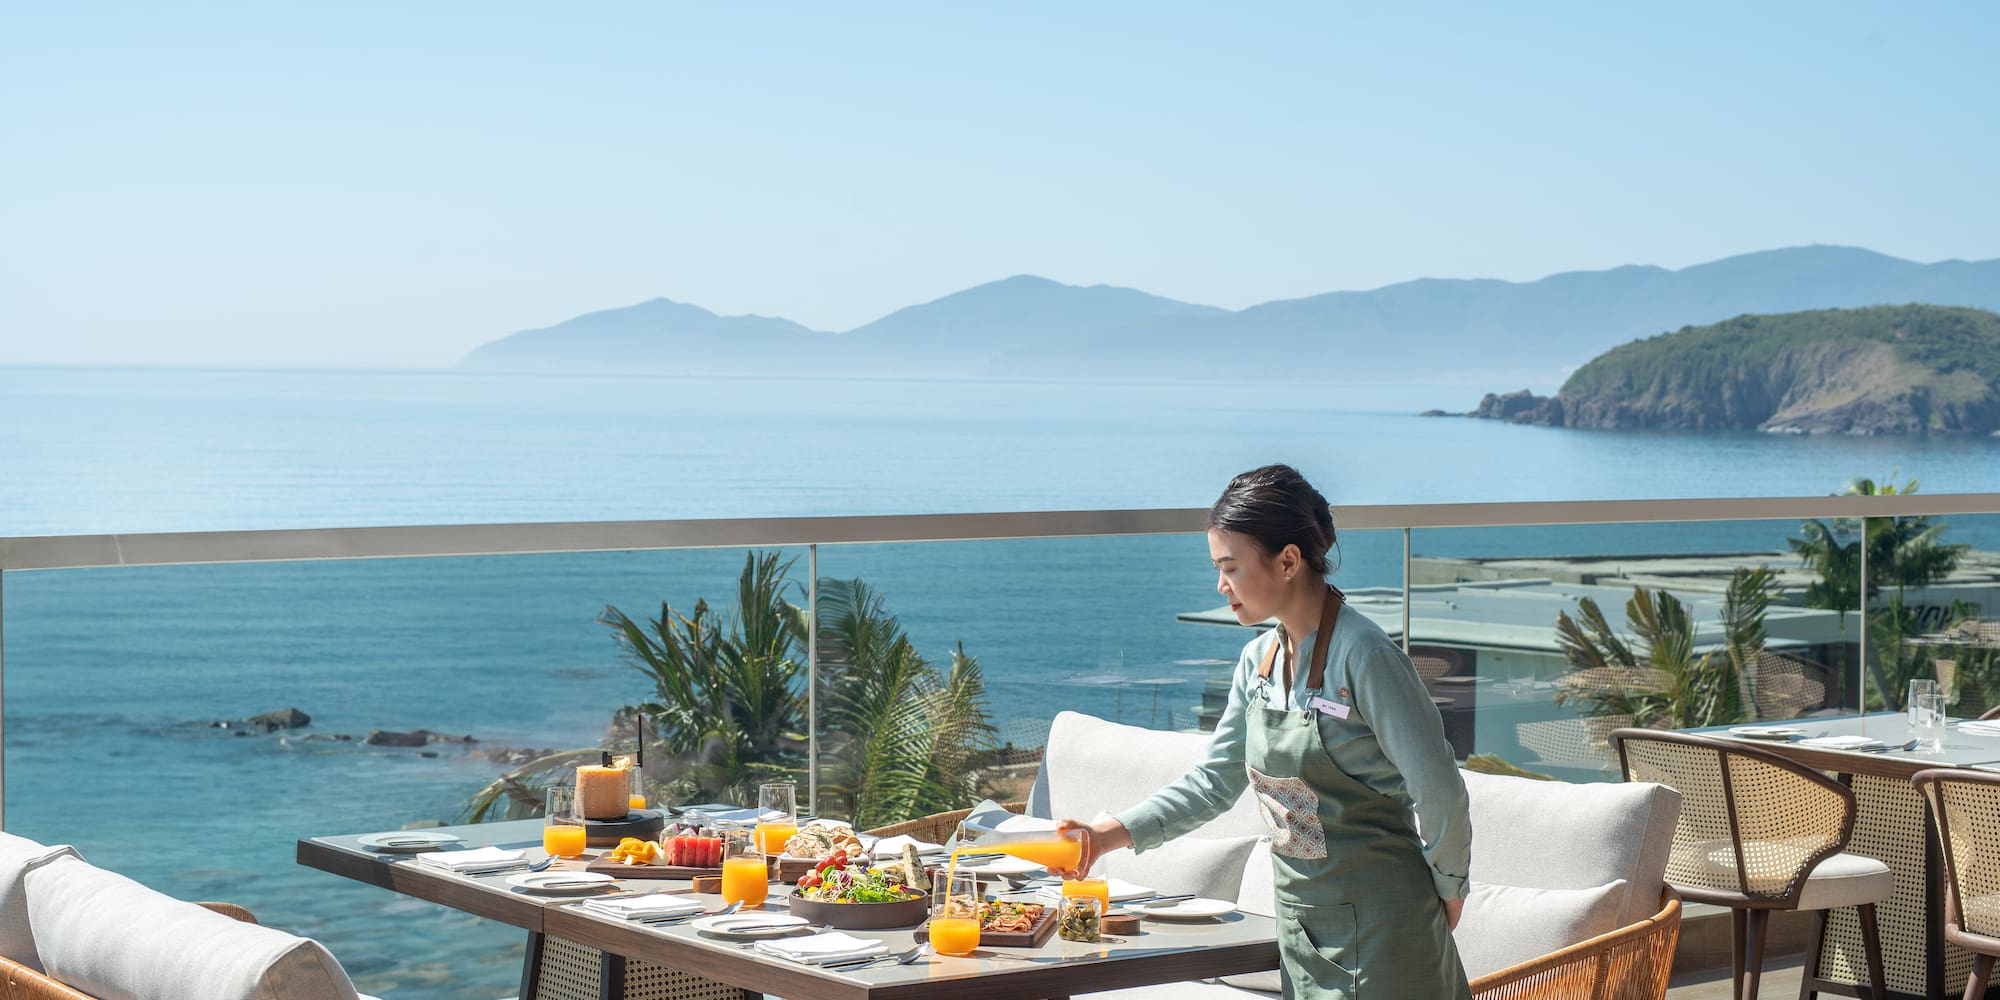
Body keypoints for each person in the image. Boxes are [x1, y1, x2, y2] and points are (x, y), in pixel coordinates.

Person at [1058, 463, 1472, 999]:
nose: (1220, 584)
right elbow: (1214, 781)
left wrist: (1450, 888)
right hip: (1302, 930)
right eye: (1216, 567)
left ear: (1289, 561)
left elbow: (1438, 785)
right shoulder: (1258, 662)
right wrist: (1104, 836)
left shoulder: (1365, 656)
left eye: (1230, 566)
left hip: (1386, 928)